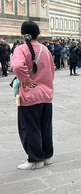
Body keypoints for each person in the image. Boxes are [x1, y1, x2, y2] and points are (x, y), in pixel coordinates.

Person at [10, 21, 55, 170]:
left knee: (30, 128)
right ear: (38, 33)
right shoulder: (45, 49)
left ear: (23, 34)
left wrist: (26, 79)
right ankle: (47, 156)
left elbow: (16, 66)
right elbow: (51, 72)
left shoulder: (21, 49)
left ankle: (36, 160)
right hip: (46, 95)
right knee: (45, 126)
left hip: (30, 96)